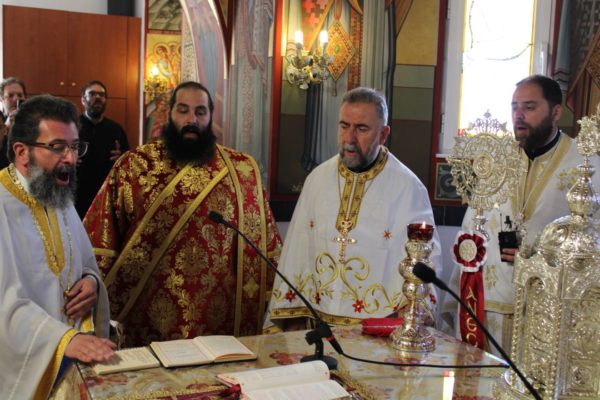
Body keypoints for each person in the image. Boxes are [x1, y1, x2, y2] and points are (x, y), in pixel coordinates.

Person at [84, 81, 282, 347]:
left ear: (211, 116)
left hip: (220, 326)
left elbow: (266, 249)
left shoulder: (242, 171)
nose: (192, 120)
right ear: (169, 114)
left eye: (200, 112)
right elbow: (99, 240)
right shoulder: (134, 166)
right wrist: (92, 288)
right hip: (145, 320)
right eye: (183, 110)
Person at [443, 75, 600, 355]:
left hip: (548, 310)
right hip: (489, 306)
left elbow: (591, 243)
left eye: (529, 107)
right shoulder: (496, 162)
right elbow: (472, 228)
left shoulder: (586, 166)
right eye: (514, 107)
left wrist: (539, 255)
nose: (518, 115)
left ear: (555, 113)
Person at [264, 87, 441, 332]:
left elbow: (424, 264)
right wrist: (292, 321)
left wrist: (405, 322)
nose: (349, 138)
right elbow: (297, 254)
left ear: (383, 134)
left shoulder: (408, 188)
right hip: (316, 329)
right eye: (344, 125)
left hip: (377, 335)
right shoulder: (317, 179)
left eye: (362, 128)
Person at [0, 95, 115, 399]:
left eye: (75, 146)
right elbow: (4, 304)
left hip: (74, 356)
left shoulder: (55, 193)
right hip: (32, 366)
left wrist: (91, 282)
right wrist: (62, 339)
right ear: (22, 152)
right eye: (57, 147)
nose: (71, 159)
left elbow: (83, 263)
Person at [76, 80, 130, 218]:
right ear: (83, 100)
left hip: (107, 197)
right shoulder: (72, 127)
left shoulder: (116, 129)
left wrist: (121, 158)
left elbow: (128, 163)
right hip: (76, 197)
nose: (98, 97)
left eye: (101, 94)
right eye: (92, 94)